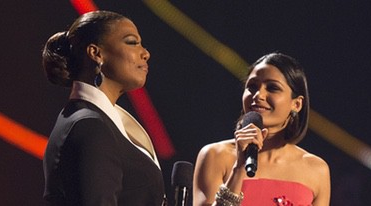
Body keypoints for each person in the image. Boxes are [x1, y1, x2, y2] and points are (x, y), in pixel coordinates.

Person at [41, 10, 166, 205]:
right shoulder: (90, 126)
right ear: (96, 53)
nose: (145, 53)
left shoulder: (96, 120)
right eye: (132, 42)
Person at [193, 52, 330, 206]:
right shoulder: (215, 155)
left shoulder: (316, 169)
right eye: (252, 86)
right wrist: (239, 168)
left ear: (296, 104)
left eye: (272, 88)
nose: (258, 95)